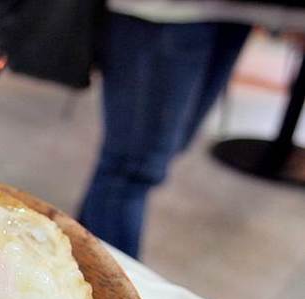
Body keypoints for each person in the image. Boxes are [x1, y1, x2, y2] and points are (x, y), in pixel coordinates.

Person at [79, 1, 305, 258]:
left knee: (151, 156)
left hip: (237, 14)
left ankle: (77, 257)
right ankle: (113, 290)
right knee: (130, 170)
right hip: (163, 12)